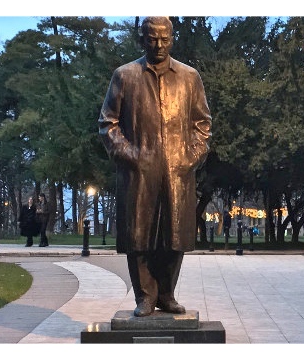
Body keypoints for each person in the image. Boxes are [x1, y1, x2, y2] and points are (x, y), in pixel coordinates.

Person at [98, 16, 212, 317]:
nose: (158, 45)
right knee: (140, 238)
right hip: (139, 172)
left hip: (178, 172)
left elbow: (202, 124)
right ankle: (145, 297)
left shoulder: (189, 77)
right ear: (142, 39)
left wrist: (190, 158)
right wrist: (131, 156)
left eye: (164, 38)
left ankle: (166, 294)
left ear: (172, 38)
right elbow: (108, 123)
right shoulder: (125, 76)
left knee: (175, 238)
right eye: (152, 38)